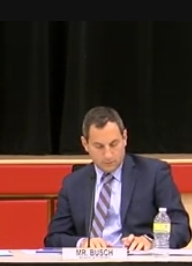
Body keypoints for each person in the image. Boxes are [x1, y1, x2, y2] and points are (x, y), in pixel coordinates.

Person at [45, 106, 191, 251]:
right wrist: (83, 243)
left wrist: (151, 241)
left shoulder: (154, 174)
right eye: (99, 146)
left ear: (125, 138)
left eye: (114, 144)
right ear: (85, 144)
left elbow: (181, 228)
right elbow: (54, 237)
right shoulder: (73, 183)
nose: (108, 154)